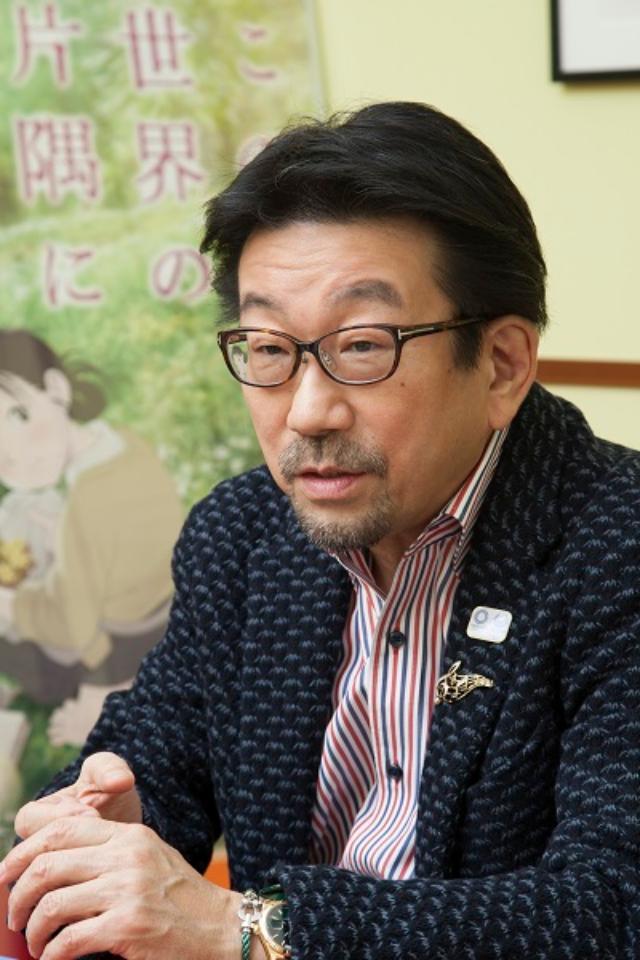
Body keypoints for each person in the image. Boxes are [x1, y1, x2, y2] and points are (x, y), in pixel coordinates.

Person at [1, 101, 638, 960]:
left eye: (364, 345)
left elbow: (611, 908)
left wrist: (250, 930)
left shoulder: (616, 544)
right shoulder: (245, 533)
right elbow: (160, 747)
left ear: (501, 365)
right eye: (269, 349)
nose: (307, 412)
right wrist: (109, 814)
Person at [0, 331, 184, 718]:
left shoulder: (88, 503)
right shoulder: (124, 445)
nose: (11, 452)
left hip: (119, 649)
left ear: (56, 389)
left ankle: (95, 694)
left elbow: (73, 629)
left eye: (17, 417)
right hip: (161, 613)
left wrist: (15, 606)